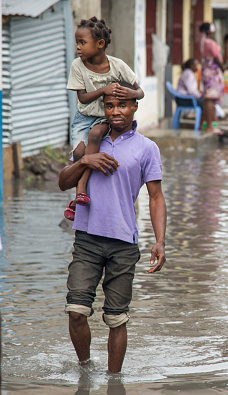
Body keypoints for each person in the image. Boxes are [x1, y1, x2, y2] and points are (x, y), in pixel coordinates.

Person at [58, 80, 166, 373]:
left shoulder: (147, 148)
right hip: (87, 239)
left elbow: (155, 197)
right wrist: (86, 161)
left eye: (122, 105)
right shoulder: (91, 140)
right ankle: (85, 368)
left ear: (134, 107)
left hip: (123, 244)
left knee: (116, 318)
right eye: (109, 106)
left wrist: (160, 241)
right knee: (76, 311)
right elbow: (63, 182)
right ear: (103, 109)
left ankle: (114, 381)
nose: (116, 111)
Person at [65, 17, 144, 221]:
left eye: (82, 43)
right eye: (77, 42)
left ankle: (81, 189)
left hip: (102, 117)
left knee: (96, 134)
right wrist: (104, 90)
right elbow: (82, 98)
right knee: (80, 154)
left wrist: (128, 94)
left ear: (100, 44)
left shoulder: (117, 65)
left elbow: (139, 92)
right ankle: (79, 196)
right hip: (83, 117)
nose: (78, 47)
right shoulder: (77, 66)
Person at [199, 22, 225, 134]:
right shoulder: (208, 42)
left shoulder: (202, 42)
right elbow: (216, 57)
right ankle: (209, 126)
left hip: (208, 71)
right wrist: (223, 68)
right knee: (210, 97)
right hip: (211, 73)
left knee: (209, 98)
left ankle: (207, 124)